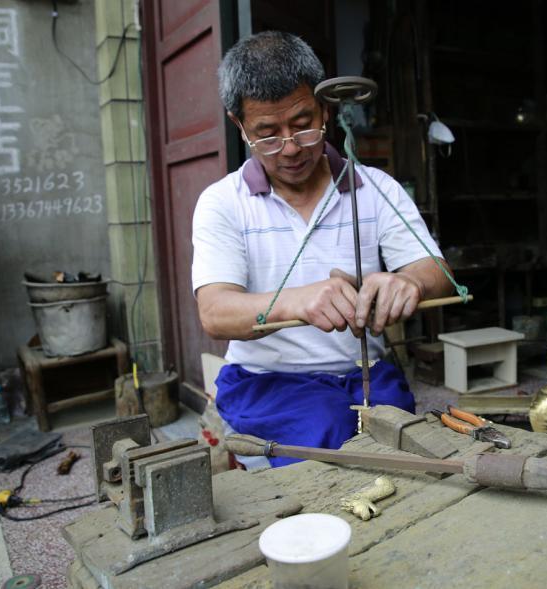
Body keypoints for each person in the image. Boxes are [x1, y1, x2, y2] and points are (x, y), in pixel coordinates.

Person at [192, 31, 453, 467]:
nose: (291, 148)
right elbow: (215, 313)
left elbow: (437, 271)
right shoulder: (222, 203)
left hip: (364, 374)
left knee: (407, 450)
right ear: (239, 125)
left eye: (302, 124)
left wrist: (408, 282)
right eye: (268, 135)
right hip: (265, 381)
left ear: (325, 109)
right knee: (327, 439)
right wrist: (296, 300)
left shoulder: (376, 189)